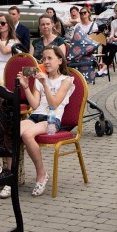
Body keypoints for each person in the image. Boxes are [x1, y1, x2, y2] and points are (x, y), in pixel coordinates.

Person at [14, 47, 75, 198]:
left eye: (49, 58)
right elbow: (35, 105)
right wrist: (26, 86)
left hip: (52, 119)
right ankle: (11, 177)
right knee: (12, 131)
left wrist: (46, 84)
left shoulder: (66, 80)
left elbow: (53, 104)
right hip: (36, 116)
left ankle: (41, 175)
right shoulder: (40, 79)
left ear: (59, 61)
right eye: (44, 59)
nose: (46, 62)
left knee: (28, 135)